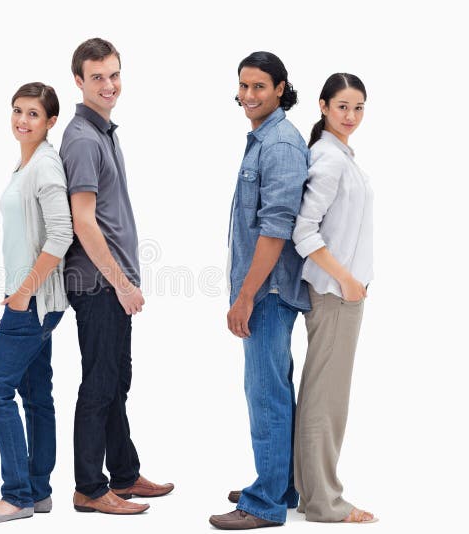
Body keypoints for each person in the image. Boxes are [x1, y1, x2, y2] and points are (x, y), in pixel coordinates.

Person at [62, 37, 174, 516]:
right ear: (79, 81)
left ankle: (124, 474)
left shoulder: (105, 131)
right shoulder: (84, 138)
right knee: (99, 384)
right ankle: (90, 486)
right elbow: (83, 221)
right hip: (97, 283)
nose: (109, 85)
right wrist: (121, 283)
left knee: (117, 381)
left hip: (113, 282)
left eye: (114, 74)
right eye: (97, 77)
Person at [209, 51, 309, 530]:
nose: (249, 96)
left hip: (268, 293)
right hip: (262, 290)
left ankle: (265, 502)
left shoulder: (281, 145)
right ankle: (283, 484)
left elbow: (275, 231)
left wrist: (245, 296)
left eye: (259, 87)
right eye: (243, 86)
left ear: (280, 88)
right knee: (274, 390)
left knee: (264, 394)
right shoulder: (263, 139)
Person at [0, 82, 74, 524]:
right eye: (17, 111)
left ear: (51, 122)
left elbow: (62, 234)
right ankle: (37, 489)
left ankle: (16, 495)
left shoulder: (45, 167)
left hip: (35, 302)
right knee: (35, 395)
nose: (22, 120)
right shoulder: (26, 163)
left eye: (33, 114)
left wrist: (26, 290)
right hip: (31, 298)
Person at [291, 73, 376, 524]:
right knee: (328, 401)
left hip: (342, 293)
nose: (351, 116)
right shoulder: (327, 158)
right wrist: (345, 280)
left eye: (359, 107)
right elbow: (304, 229)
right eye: (343, 106)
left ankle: (311, 495)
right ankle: (325, 502)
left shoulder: (340, 155)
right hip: (335, 295)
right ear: (323, 106)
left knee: (322, 396)